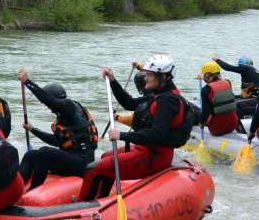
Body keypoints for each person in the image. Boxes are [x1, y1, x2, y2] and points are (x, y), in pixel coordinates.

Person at [82, 55, 195, 202]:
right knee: (105, 157)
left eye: (149, 75)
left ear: (163, 77)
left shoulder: (167, 102)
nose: (145, 78)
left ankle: (81, 210)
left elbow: (157, 135)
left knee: (92, 170)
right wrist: (113, 81)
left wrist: (121, 135)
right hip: (145, 150)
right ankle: (102, 202)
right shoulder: (159, 93)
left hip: (152, 157)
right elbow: (129, 103)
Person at [15, 69, 99, 190]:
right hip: (71, 160)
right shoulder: (66, 117)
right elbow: (54, 141)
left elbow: (48, 100)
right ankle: (15, 186)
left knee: (44, 153)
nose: (49, 108)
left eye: (49, 106)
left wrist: (27, 82)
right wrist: (33, 130)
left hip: (82, 164)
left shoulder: (69, 105)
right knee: (31, 155)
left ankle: (32, 190)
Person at [198, 61, 241, 136]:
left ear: (207, 75)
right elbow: (218, 85)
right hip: (233, 124)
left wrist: (201, 123)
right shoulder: (228, 82)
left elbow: (205, 111)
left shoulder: (205, 90)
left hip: (217, 128)